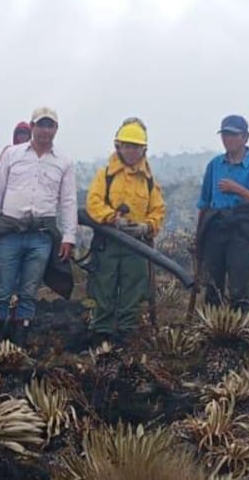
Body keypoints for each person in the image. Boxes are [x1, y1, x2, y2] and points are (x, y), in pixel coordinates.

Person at [0, 107, 78, 348]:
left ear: (56, 129)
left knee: (29, 292)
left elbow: (68, 201)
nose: (45, 130)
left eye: (50, 125)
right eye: (41, 124)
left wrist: (69, 236)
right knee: (2, 290)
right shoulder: (12, 155)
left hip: (41, 237)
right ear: (32, 127)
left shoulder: (63, 162)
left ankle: (18, 347)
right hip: (10, 233)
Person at [84, 118, 166, 345]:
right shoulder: (105, 175)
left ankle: (127, 335)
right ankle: (102, 334)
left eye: (136, 147)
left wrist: (146, 226)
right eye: (127, 146)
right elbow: (93, 203)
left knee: (133, 289)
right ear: (118, 146)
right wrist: (113, 219)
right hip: (108, 243)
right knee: (104, 287)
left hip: (137, 247)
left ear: (143, 150)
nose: (131, 151)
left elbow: (158, 209)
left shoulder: (148, 180)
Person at [196, 115, 249, 313]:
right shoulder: (215, 165)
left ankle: (239, 327)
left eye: (233, 134)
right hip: (215, 229)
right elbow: (204, 204)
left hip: (242, 231)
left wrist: (238, 190)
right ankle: (211, 327)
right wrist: (199, 239)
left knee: (239, 288)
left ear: (245, 137)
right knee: (212, 286)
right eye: (225, 134)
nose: (228, 139)